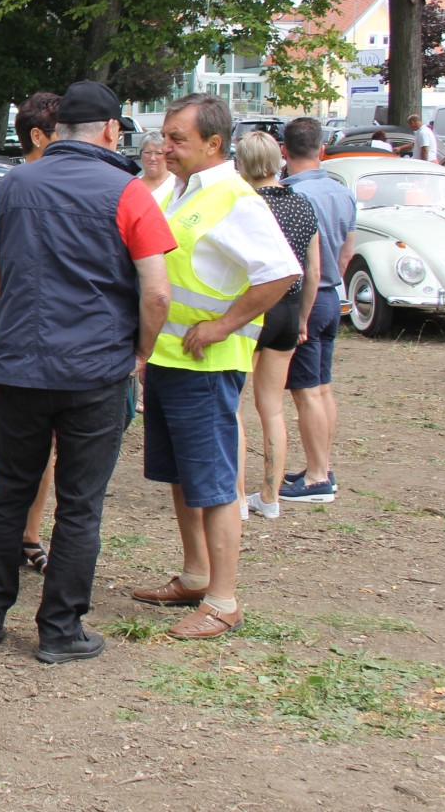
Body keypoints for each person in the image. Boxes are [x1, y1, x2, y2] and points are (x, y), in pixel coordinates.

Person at [0, 81, 173, 663]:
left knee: (11, 492)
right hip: (95, 366)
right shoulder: (129, 193)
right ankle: (60, 628)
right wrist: (141, 354)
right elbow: (156, 292)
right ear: (110, 130)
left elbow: (0, 270)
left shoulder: (8, 187)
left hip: (24, 363)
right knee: (80, 502)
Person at [133, 94, 299, 639]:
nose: (165, 146)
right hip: (172, 361)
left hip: (206, 365)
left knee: (215, 484)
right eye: (164, 135)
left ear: (213, 144)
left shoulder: (234, 197)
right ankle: (197, 575)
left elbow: (279, 273)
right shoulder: (181, 193)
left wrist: (225, 325)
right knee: (183, 477)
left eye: (178, 138)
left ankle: (224, 600)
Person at [0, 92, 59, 573]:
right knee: (13, 443)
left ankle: (30, 532)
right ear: (37, 137)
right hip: (16, 324)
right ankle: (0, 536)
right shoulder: (3, 190)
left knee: (47, 444)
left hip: (48, 325)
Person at [234, 132, 320, 520]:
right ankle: (270, 495)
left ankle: (235, 497)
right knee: (272, 407)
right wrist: (303, 317)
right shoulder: (303, 204)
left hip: (251, 307)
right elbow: (313, 270)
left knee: (230, 406)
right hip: (288, 308)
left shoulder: (244, 205)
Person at [280, 116, 358, 503]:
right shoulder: (342, 191)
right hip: (331, 292)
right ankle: (322, 465)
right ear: (322, 149)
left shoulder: (290, 194)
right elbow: (347, 249)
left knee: (305, 391)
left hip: (306, 296)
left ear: (284, 150)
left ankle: (315, 477)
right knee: (323, 387)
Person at [138, 133, 175, 206]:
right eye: (148, 153)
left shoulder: (177, 185)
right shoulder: (133, 185)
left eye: (158, 153)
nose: (152, 158)